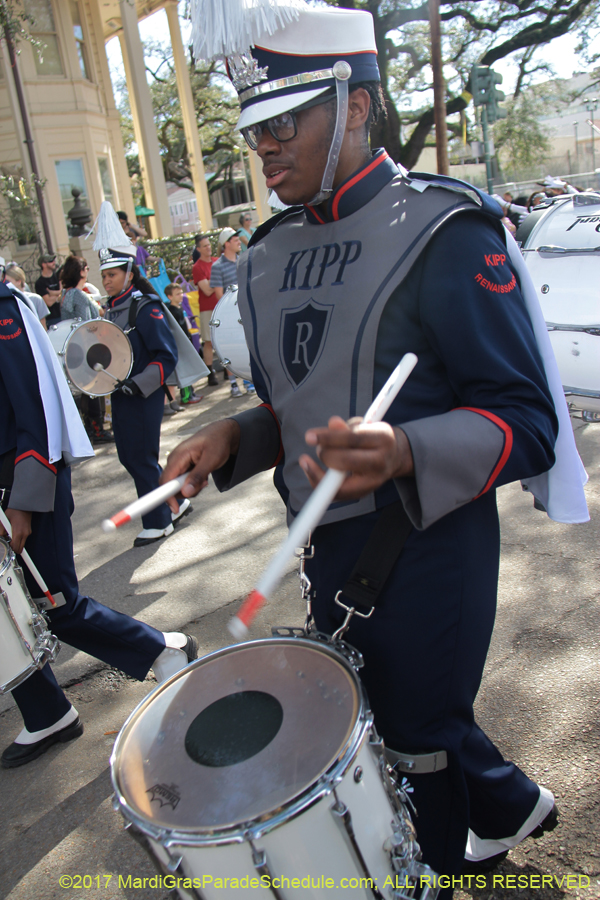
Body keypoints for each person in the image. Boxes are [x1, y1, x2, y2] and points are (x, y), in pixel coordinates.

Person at [162, 4, 587, 893]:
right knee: (386, 709)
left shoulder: (444, 229)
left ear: (355, 106)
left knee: (410, 744)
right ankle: (508, 806)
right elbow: (299, 403)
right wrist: (231, 437)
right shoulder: (269, 253)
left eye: (286, 123)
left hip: (429, 541)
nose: (266, 147)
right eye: (255, 130)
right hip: (325, 543)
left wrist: (402, 450)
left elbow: (527, 417)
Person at [0, 278, 198, 768]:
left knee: (55, 603)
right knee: (6, 612)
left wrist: (21, 502)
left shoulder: (5, 309)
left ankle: (162, 651)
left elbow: (36, 409)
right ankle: (46, 712)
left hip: (20, 480)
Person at [100, 240, 192, 546]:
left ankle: (159, 521)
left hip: (143, 393)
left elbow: (166, 355)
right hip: (121, 394)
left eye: (112, 274)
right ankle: (176, 500)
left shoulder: (144, 306)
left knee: (140, 456)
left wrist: (139, 383)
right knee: (131, 455)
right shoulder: (112, 309)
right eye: (104, 276)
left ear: (128, 272)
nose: (106, 281)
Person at [209, 228, 255, 398]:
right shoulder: (217, 266)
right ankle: (234, 384)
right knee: (229, 348)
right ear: (226, 243)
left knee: (247, 345)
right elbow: (219, 294)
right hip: (229, 314)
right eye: (234, 239)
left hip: (246, 311)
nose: (238, 241)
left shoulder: (243, 260)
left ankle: (249, 381)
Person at [164, 283, 203, 407]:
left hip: (185, 341)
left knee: (188, 368)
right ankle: (186, 396)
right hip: (178, 346)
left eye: (181, 293)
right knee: (184, 370)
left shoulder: (180, 308)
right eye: (177, 294)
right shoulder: (171, 311)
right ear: (169, 296)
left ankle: (190, 393)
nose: (181, 296)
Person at [192, 234, 220, 386]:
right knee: (208, 341)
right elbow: (207, 290)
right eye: (204, 246)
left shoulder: (217, 261)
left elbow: (212, 285)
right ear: (198, 249)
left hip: (221, 304)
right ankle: (210, 373)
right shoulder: (197, 267)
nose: (208, 247)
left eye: (209, 245)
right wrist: (218, 281)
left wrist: (212, 282)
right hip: (207, 308)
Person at [4, 262, 49, 328]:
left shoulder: (36, 299)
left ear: (18, 281)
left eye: (8, 281)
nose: (5, 284)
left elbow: (43, 327)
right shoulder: (6, 302)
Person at [60, 255, 102, 321]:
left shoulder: (65, 292)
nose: (88, 271)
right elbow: (85, 323)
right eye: (87, 269)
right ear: (81, 272)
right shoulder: (79, 295)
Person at [34, 253, 61, 325]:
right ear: (44, 264)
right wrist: (59, 295)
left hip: (63, 314)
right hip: (52, 318)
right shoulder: (40, 283)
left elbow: (65, 292)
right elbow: (49, 302)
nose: (54, 262)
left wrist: (52, 293)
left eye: (53, 260)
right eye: (50, 261)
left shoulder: (58, 277)